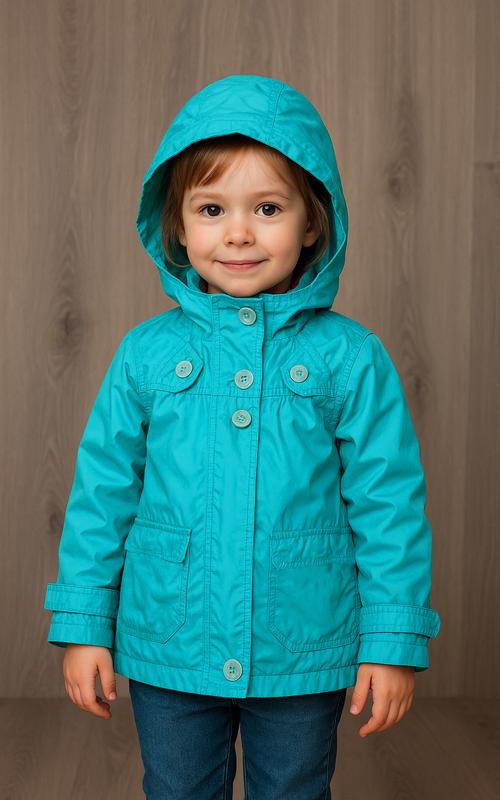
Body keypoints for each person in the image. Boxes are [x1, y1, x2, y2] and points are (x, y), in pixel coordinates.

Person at [43, 74, 442, 799]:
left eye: (267, 208)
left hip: (303, 642)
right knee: (177, 787)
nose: (237, 233)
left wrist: (392, 642)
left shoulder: (350, 358)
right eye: (211, 209)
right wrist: (83, 625)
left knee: (293, 789)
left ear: (313, 222)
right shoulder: (145, 355)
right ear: (176, 225)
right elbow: (101, 495)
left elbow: (389, 504)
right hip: (171, 638)